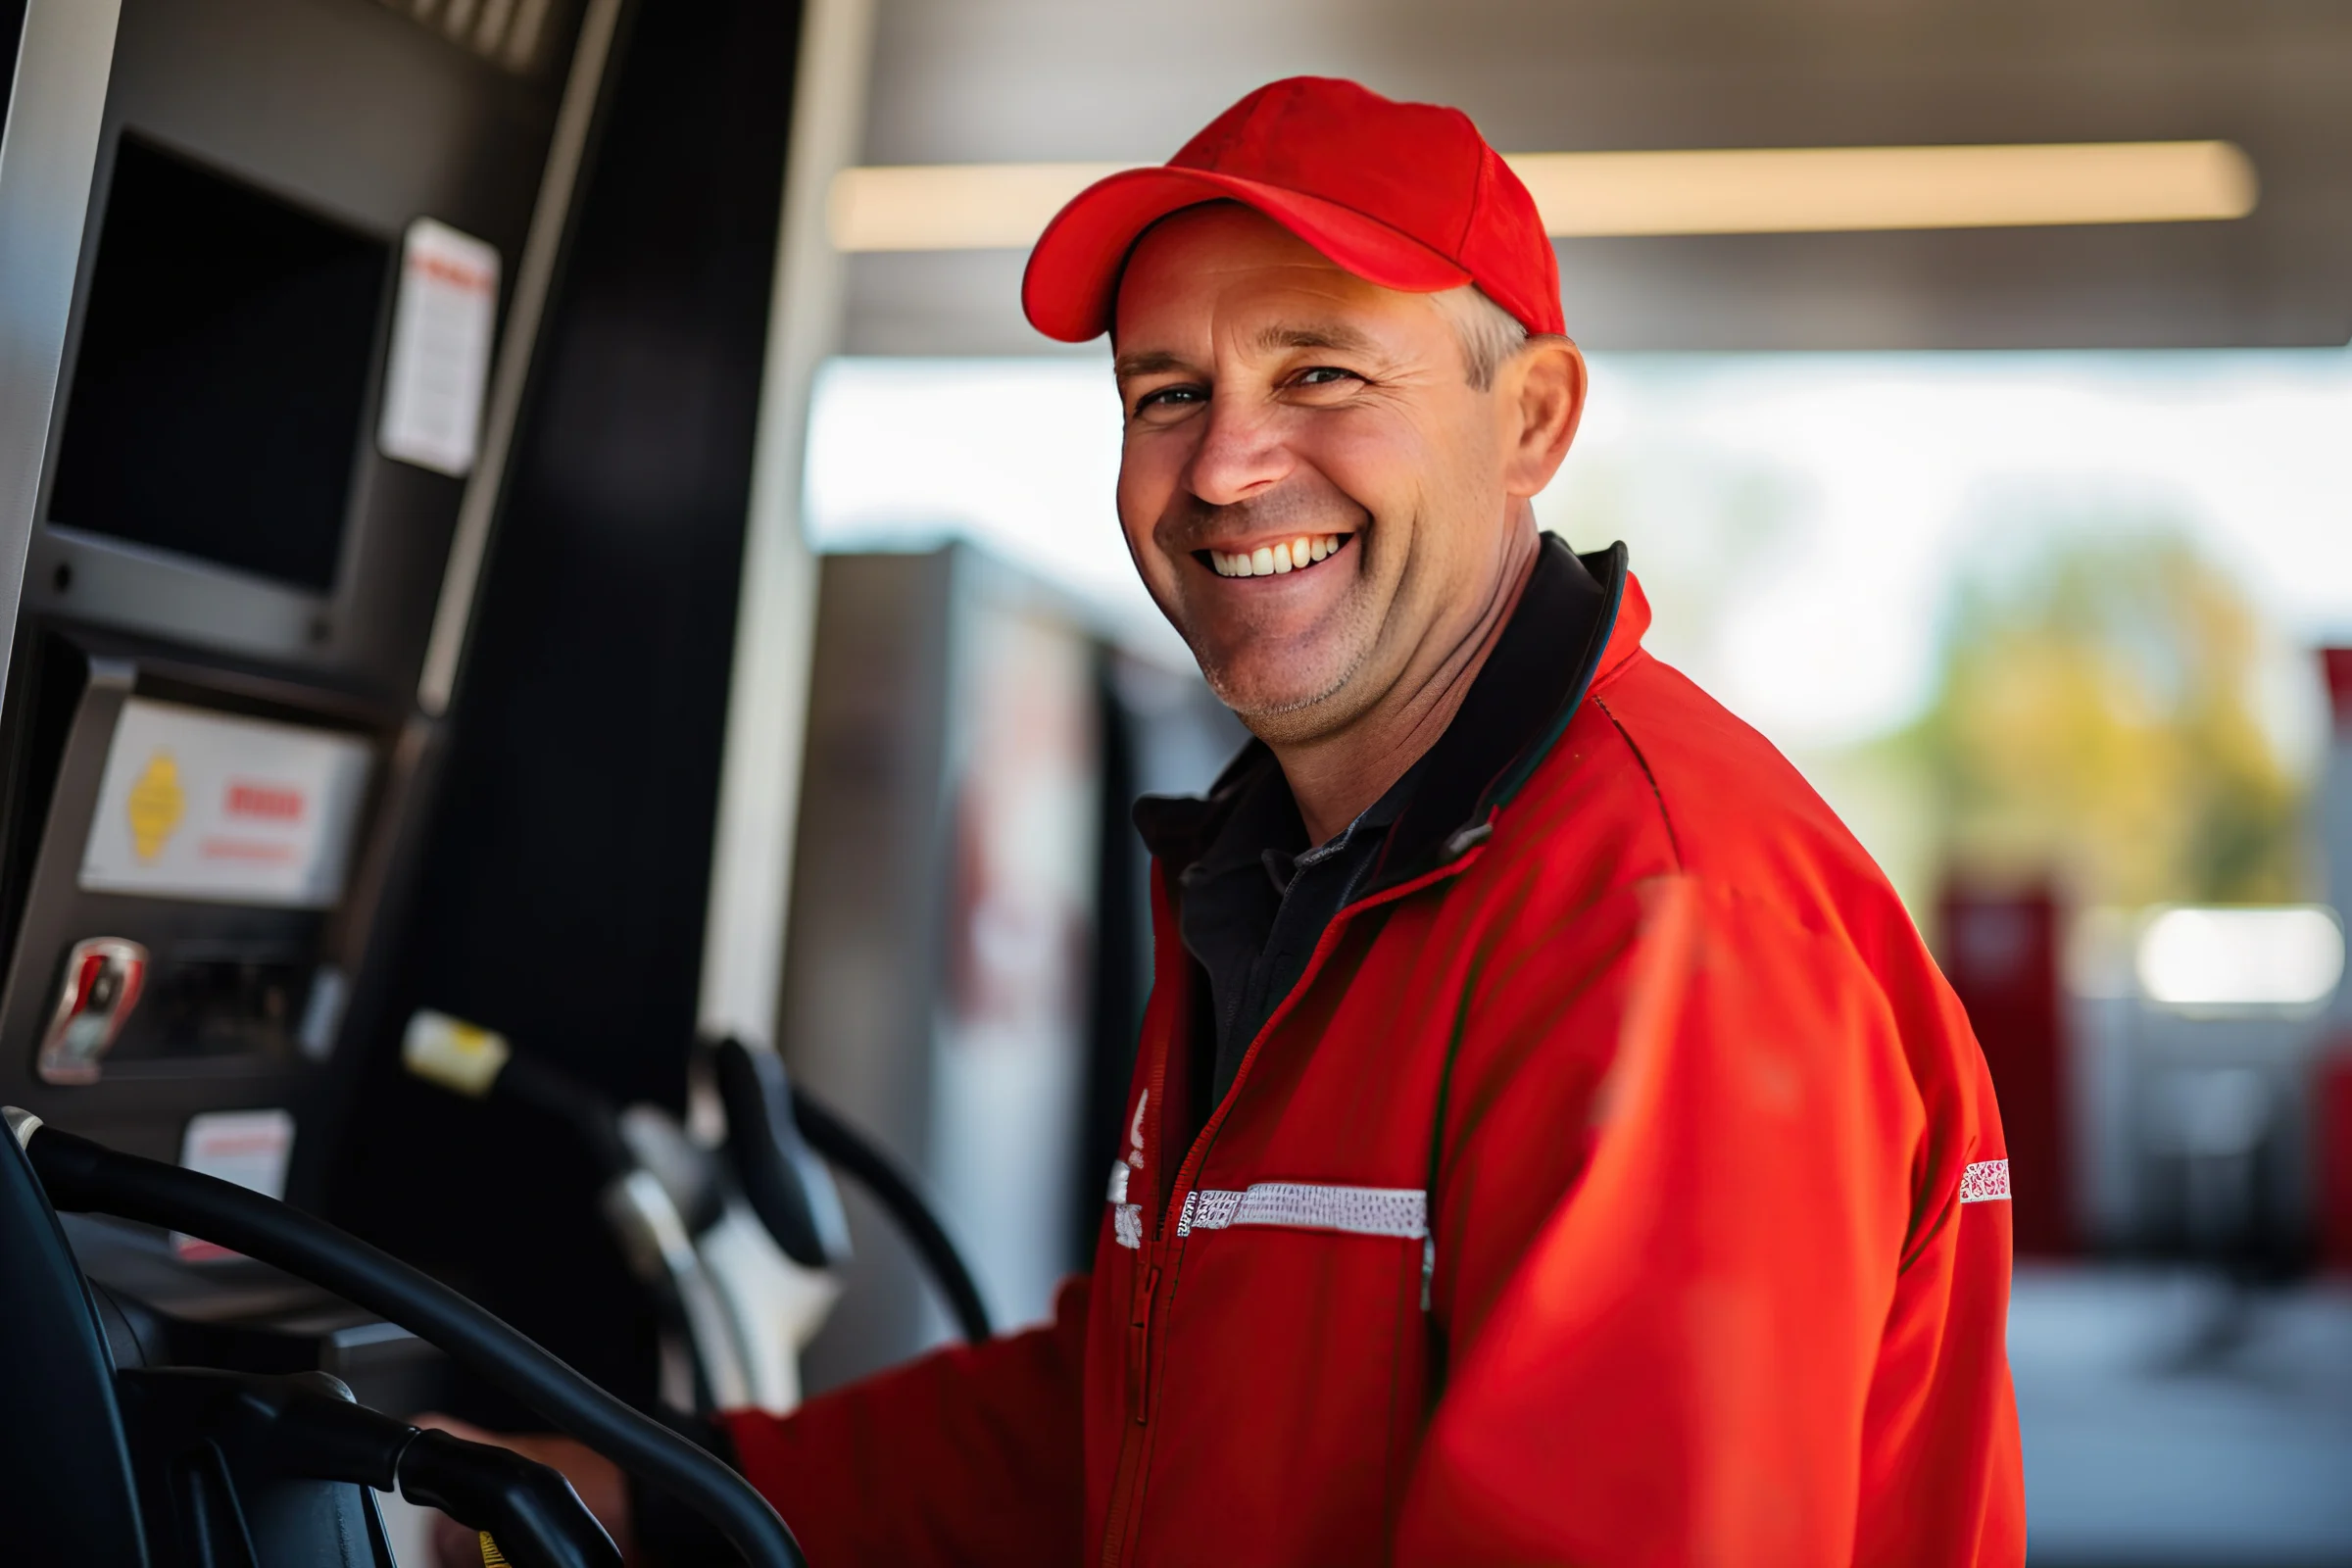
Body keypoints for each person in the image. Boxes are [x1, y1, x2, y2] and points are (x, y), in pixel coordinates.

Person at [434, 75, 2026, 1567]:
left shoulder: (1661, 926)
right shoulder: (1299, 870)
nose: (1225, 465)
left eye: (1319, 371)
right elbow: (1141, 1423)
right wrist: (642, 1499)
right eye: (1168, 392)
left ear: (1533, 419)